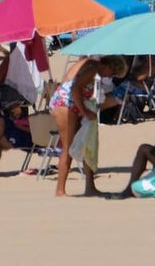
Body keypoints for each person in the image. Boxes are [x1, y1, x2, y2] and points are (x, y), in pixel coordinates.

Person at [49, 55, 128, 196]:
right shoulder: (93, 67)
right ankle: (60, 190)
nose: (110, 77)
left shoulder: (89, 65)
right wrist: (85, 112)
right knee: (68, 148)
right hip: (64, 104)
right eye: (112, 73)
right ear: (108, 67)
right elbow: (74, 89)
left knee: (87, 143)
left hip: (69, 104)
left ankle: (90, 187)